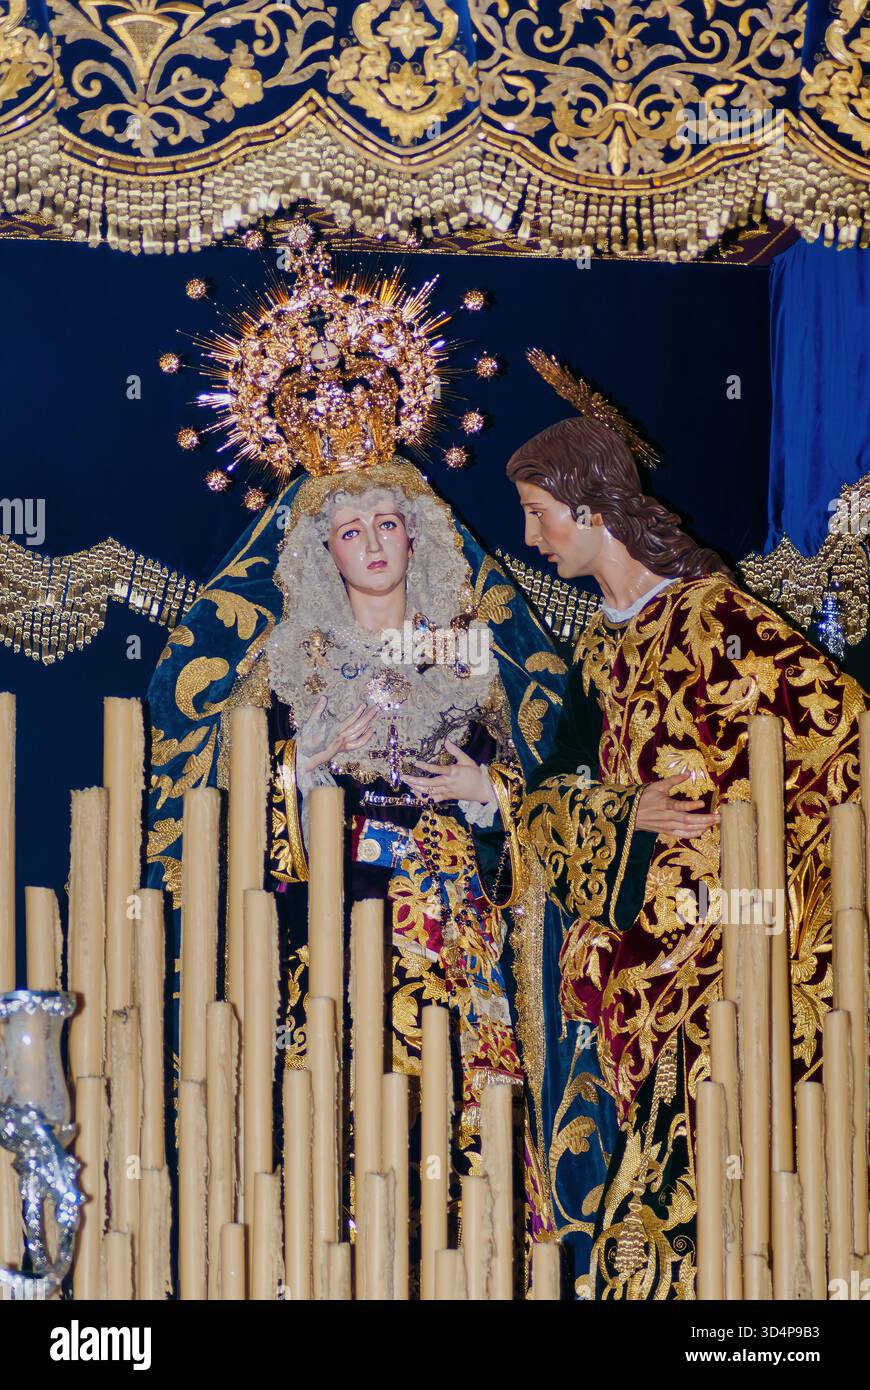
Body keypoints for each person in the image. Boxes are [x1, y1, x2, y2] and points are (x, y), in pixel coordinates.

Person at [145, 236, 615, 1290]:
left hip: (451, 925)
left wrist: (486, 794)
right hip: (336, 926)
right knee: (341, 1123)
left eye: (386, 521)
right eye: (347, 527)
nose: (370, 541)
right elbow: (237, 832)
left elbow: (545, 797)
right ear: (319, 550)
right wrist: (308, 769)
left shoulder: (473, 659)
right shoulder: (287, 677)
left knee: (466, 1120)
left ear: (418, 535)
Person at [506, 361, 869, 1299]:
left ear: (592, 510)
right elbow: (547, 796)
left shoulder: (722, 623)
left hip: (726, 950)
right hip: (632, 958)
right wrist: (622, 814)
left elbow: (844, 742)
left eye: (540, 512)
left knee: (712, 1162)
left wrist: (746, 838)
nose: (531, 536)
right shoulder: (597, 650)